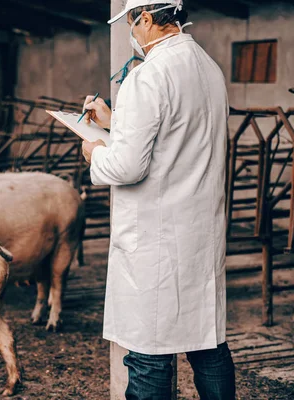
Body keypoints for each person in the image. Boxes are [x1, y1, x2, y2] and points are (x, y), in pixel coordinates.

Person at [80, 1, 236, 399]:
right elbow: (180, 130)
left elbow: (128, 167)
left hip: (157, 240)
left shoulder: (147, 76)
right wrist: (115, 121)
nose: (132, 33)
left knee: (149, 352)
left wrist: (94, 152)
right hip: (199, 232)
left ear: (146, 19)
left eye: (132, 23)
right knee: (207, 345)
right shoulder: (207, 67)